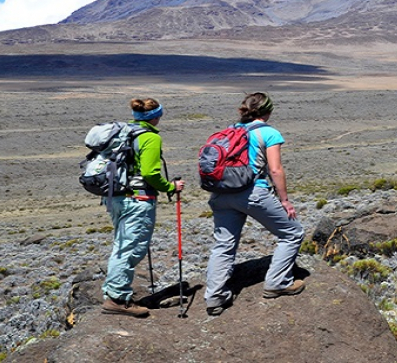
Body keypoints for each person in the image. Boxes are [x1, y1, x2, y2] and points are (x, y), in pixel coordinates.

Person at [205, 92, 305, 316]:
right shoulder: (269, 132)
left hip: (221, 194)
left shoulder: (230, 131)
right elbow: (275, 170)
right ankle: (278, 282)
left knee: (223, 245)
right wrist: (285, 201)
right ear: (268, 111)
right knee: (292, 233)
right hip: (252, 192)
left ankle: (214, 297)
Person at [102, 97, 185, 318]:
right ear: (156, 116)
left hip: (117, 198)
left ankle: (113, 293)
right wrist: (170, 186)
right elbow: (149, 173)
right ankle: (117, 299)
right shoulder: (149, 137)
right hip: (138, 200)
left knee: (121, 246)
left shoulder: (123, 133)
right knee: (131, 249)